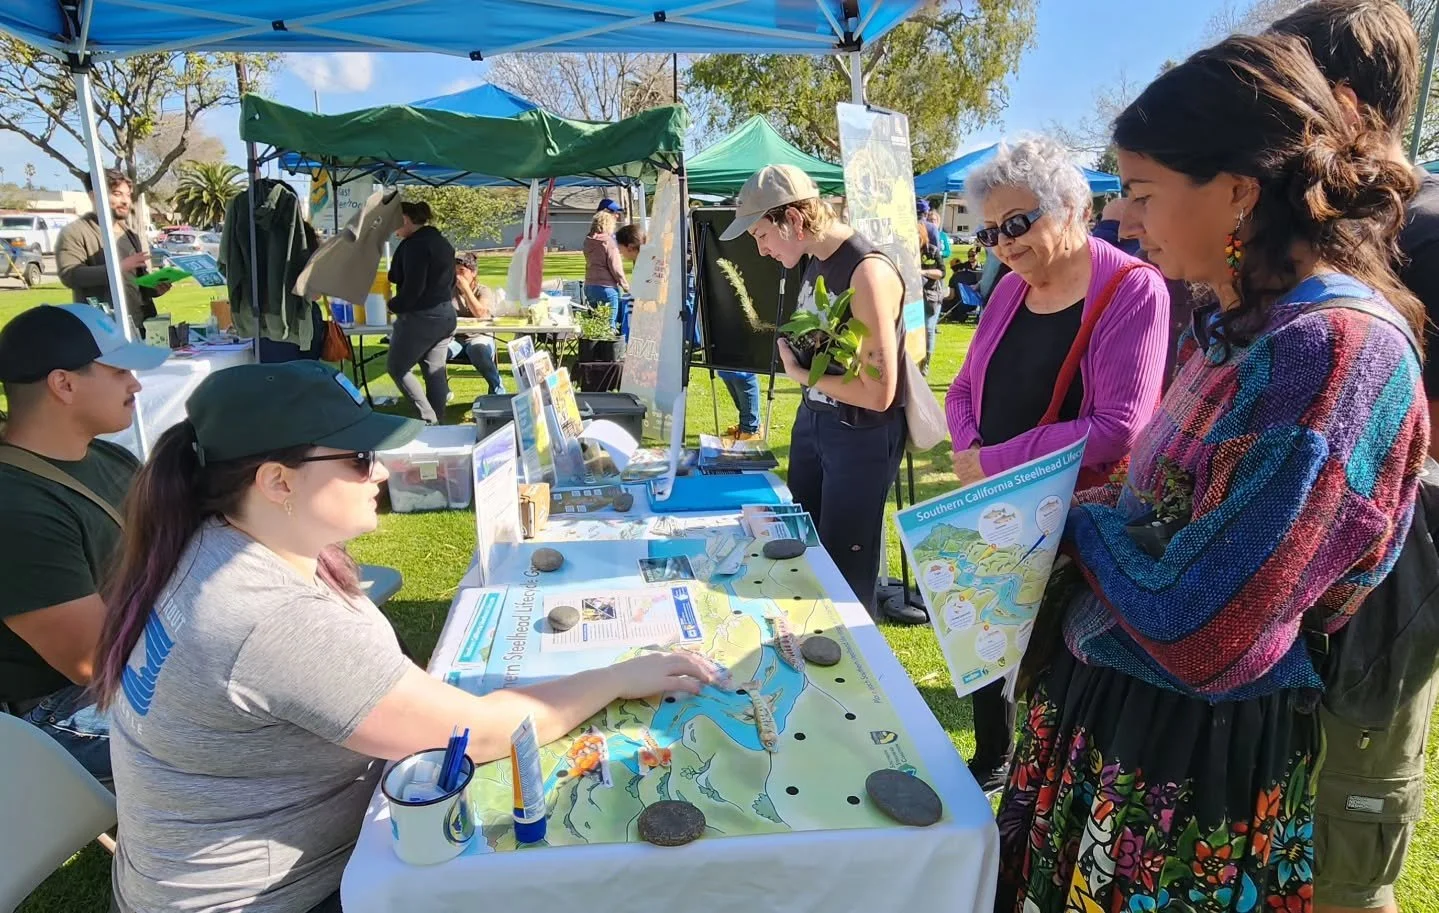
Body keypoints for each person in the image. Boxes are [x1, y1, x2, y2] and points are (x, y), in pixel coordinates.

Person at [996, 35, 1429, 913]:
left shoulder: (1332, 353)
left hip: (1182, 766)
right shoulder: (1238, 323)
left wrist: (1077, 524)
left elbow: (1203, 626)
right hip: (1120, 727)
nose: (1124, 222)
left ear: (1237, 191)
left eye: (1144, 194)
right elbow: (1158, 508)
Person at [94, 361, 715, 913]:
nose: (382, 471)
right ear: (277, 482)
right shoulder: (264, 615)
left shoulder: (209, 543)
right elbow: (481, 733)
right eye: (359, 458)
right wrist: (616, 677)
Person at [1267, 3, 1438, 910]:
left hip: (1380, 604)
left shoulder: (1426, 234)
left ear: (1333, 99)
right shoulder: (1302, 238)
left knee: (1342, 842)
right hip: (1293, 603)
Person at [943, 136, 1171, 794]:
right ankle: (991, 756)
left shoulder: (1133, 290)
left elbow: (1117, 427)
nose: (1003, 244)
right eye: (990, 232)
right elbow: (962, 388)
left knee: (1048, 668)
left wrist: (991, 460)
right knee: (984, 643)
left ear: (1071, 206)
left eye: (1017, 223)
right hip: (996, 504)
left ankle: (1035, 786)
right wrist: (969, 454)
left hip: (1072, 522)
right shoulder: (1011, 289)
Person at [721, 164, 906, 619]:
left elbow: (879, 394)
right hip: (818, 423)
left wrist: (802, 375)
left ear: (794, 221)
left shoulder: (866, 272)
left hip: (859, 435)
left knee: (844, 576)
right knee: (800, 552)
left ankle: (855, 679)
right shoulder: (818, 261)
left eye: (762, 235)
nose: (761, 250)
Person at [0, 304, 167, 784]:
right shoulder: (17, 507)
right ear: (64, 385)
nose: (135, 384)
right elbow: (92, 662)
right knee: (260, 722)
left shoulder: (105, 456)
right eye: (119, 372)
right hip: (52, 713)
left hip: (137, 656)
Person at [55, 169, 170, 333]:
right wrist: (118, 269)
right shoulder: (75, 232)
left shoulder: (130, 234)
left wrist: (155, 287)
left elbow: (137, 282)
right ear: (94, 196)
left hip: (140, 326)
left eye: (128, 195)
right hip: (103, 330)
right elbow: (70, 275)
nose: (125, 201)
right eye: (117, 194)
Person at [386, 201, 457, 424]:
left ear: (405, 219)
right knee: (434, 372)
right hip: (446, 313)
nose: (392, 230)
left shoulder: (415, 245)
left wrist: (392, 305)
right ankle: (439, 423)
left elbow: (412, 289)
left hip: (422, 315)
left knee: (398, 367)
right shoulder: (441, 242)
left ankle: (429, 419)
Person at [452, 252, 505, 395]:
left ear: (473, 272)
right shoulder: (447, 291)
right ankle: (440, 392)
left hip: (479, 336)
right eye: (454, 271)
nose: (457, 276)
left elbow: (482, 314)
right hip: (454, 338)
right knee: (432, 351)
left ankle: (498, 390)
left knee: (478, 350)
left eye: (461, 271)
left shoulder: (483, 291)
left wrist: (466, 290)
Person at [583, 210, 629, 324]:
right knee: (610, 324)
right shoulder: (608, 242)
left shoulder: (588, 241)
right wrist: (625, 285)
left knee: (597, 324)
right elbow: (615, 267)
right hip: (606, 287)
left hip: (589, 286)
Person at [918, 205, 946, 370]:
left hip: (931, 295)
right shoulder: (907, 252)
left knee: (929, 329)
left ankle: (925, 366)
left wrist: (923, 271)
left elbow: (942, 272)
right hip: (912, 296)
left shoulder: (932, 251)